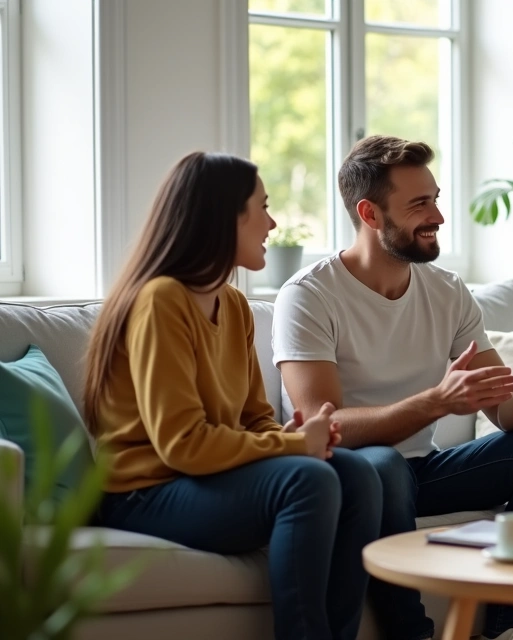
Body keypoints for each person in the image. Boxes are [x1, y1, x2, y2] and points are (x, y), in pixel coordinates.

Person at [273, 135, 513, 640]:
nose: (438, 216)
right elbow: (325, 426)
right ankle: (413, 634)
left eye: (436, 198)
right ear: (370, 214)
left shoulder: (446, 291)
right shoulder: (309, 296)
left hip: (424, 471)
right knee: (383, 463)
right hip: (356, 476)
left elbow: (508, 414)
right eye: (419, 204)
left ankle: (510, 628)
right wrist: (435, 402)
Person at [86, 152, 386, 640]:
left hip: (205, 476)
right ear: (225, 217)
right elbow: (182, 445)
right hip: (144, 492)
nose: (272, 222)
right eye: (262, 208)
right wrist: (293, 449)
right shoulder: (161, 301)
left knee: (357, 472)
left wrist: (301, 438)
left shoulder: (235, 306)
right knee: (308, 482)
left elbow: (254, 419)